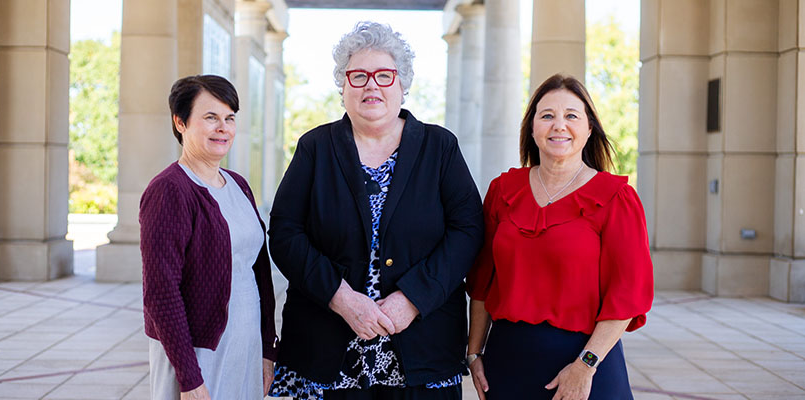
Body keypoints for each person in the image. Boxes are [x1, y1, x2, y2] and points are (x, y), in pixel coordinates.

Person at [267, 21, 483, 400]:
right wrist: (340, 297)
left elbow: (467, 230)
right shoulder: (314, 147)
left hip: (423, 347)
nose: (371, 85)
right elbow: (285, 231)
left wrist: (413, 299)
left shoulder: (440, 147)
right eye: (359, 75)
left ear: (402, 84)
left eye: (384, 75)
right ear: (344, 86)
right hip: (323, 350)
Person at [466, 74, 654, 400]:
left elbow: (626, 297)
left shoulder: (615, 198)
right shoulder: (503, 191)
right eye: (547, 115)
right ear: (532, 127)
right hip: (508, 362)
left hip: (586, 363)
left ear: (589, 127)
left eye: (571, 116)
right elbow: (482, 281)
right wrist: (473, 352)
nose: (559, 125)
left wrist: (585, 366)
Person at [140, 75, 277, 400]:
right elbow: (161, 293)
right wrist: (189, 379)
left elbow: (259, 273)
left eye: (229, 118)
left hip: (245, 342)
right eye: (211, 117)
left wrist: (268, 349)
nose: (223, 128)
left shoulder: (238, 184)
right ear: (180, 122)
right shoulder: (169, 191)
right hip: (195, 352)